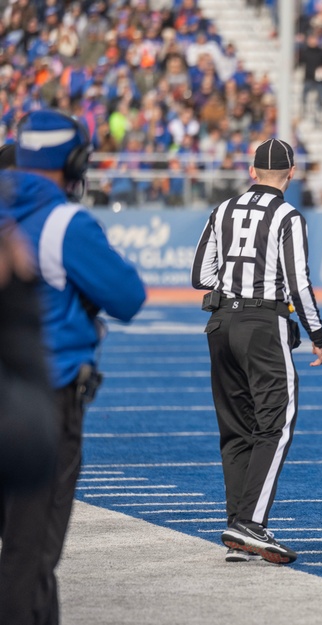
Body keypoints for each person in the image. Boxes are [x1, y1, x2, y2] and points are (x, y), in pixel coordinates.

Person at [0, 110, 146, 624]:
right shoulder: (65, 223)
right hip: (41, 395)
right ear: (76, 160)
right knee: (30, 553)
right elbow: (128, 296)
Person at [191, 138, 322, 563]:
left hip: (220, 323)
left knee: (236, 430)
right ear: (291, 174)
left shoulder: (221, 210)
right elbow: (298, 282)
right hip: (262, 323)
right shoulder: (288, 215)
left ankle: (238, 525)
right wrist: (318, 334)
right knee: (275, 423)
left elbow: (201, 275)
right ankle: (250, 523)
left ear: (251, 171)